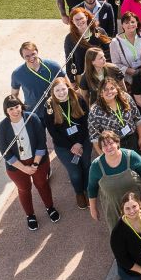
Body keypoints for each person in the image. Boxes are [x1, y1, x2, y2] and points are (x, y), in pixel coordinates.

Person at [0, 95, 59, 231]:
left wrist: (35, 165)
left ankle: (50, 207)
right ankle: (30, 215)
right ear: (6, 110)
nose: (15, 111)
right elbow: (5, 152)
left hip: (38, 161)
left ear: (21, 106)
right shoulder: (2, 127)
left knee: (42, 184)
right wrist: (24, 168)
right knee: (24, 189)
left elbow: (42, 143)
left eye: (17, 106)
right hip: (17, 166)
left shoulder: (32, 118)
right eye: (11, 108)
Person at [44, 77, 91, 210]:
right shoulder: (49, 107)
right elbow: (53, 132)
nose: (61, 92)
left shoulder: (78, 99)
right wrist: (72, 146)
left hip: (82, 140)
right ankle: (79, 193)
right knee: (75, 172)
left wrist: (79, 143)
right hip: (64, 145)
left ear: (68, 88)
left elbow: (86, 122)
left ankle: (88, 189)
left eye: (63, 89)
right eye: (57, 90)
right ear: (53, 91)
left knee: (87, 165)